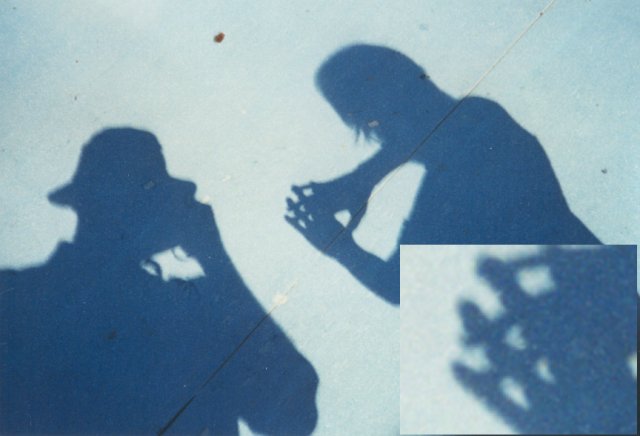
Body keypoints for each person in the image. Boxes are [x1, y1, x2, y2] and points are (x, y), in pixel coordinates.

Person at [0, 128, 318, 435]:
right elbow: (292, 418)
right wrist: (216, 261)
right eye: (157, 192)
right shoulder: (185, 308)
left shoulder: (15, 296)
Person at [286, 44, 600, 305]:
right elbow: (425, 133)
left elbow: (399, 287)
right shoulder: (482, 122)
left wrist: (340, 245)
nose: (380, 136)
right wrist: (359, 181)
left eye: (372, 123)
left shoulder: (460, 165)